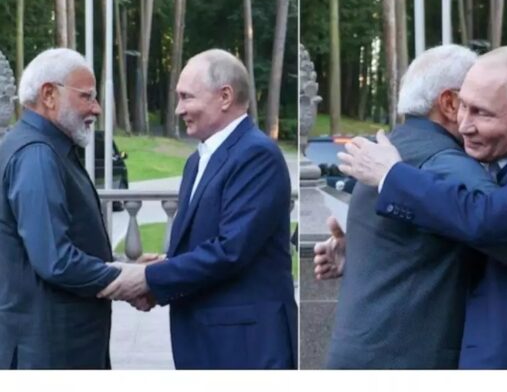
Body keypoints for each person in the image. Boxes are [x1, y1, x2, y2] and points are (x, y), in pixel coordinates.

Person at [339, 46, 507, 368]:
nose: (463, 125)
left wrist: (391, 177)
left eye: (482, 113)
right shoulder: (493, 152)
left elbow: (486, 219)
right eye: (464, 107)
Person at [98, 49, 298, 369]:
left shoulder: (257, 155)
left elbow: (230, 251)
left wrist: (150, 278)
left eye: (186, 97)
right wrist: (168, 267)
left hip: (246, 347)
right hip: (208, 340)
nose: (179, 109)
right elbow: (209, 241)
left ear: (225, 96)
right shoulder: (197, 160)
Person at [0, 48, 122, 369]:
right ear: (49, 95)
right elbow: (55, 259)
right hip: (50, 353)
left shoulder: (44, 147)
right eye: (87, 96)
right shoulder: (37, 155)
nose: (96, 108)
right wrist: (125, 278)